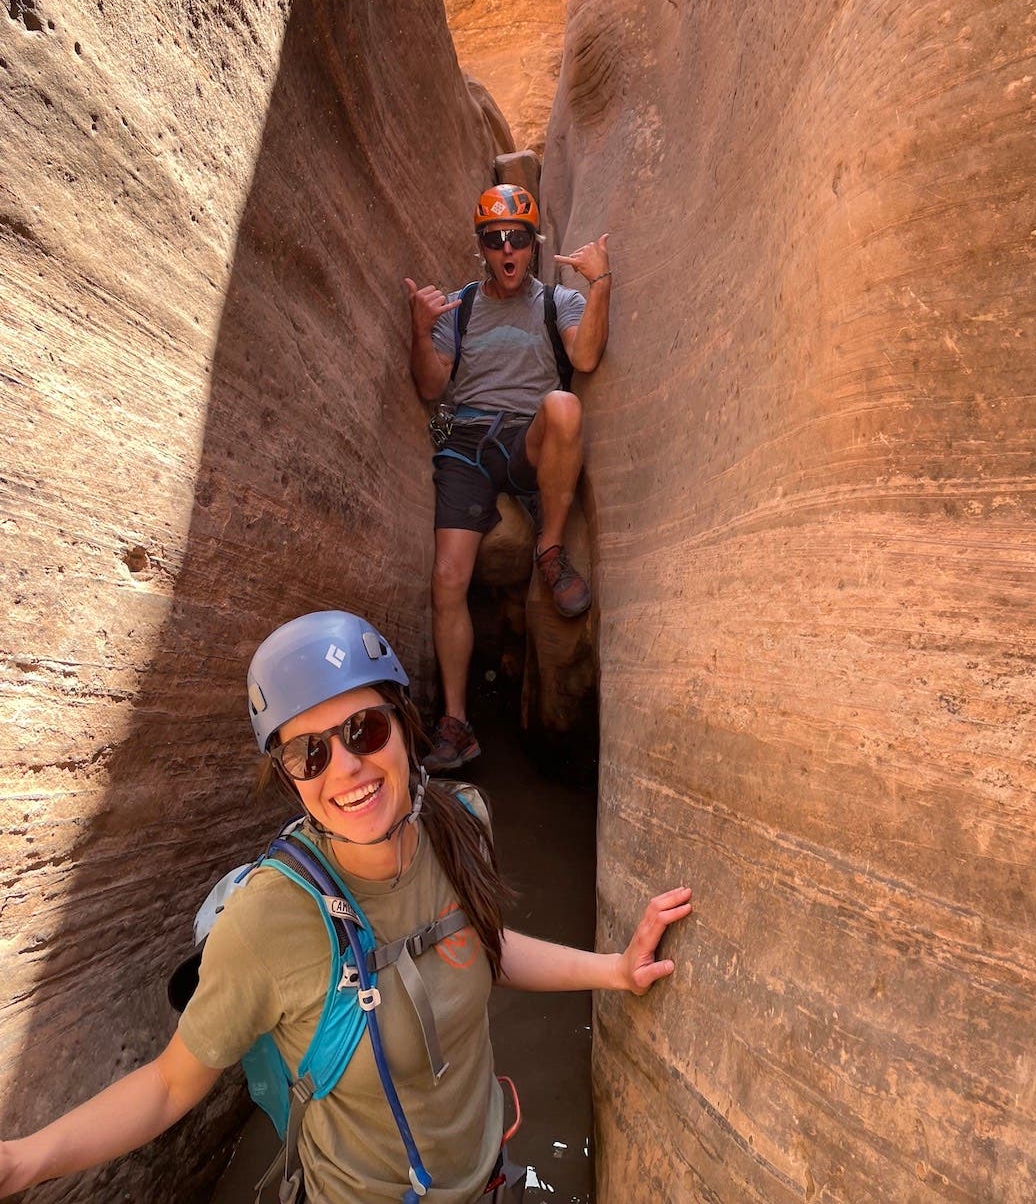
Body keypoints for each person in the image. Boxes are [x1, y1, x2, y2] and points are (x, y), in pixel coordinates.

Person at [0, 611, 691, 1204]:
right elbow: (167, 1086)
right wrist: (24, 1161)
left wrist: (615, 970)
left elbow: (481, 944)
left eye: (364, 729)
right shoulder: (266, 924)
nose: (346, 768)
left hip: (487, 1178)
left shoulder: (462, 823)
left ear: (405, 725)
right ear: (288, 779)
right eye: (309, 754)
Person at [404, 184, 611, 771]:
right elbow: (431, 385)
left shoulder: (557, 302)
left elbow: (585, 358)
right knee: (448, 579)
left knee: (564, 405)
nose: (507, 250)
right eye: (495, 240)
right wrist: (420, 330)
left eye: (517, 238)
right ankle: (456, 723)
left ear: (533, 244)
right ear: (482, 248)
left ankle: (550, 551)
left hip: (526, 438)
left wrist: (600, 284)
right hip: (467, 443)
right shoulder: (460, 307)